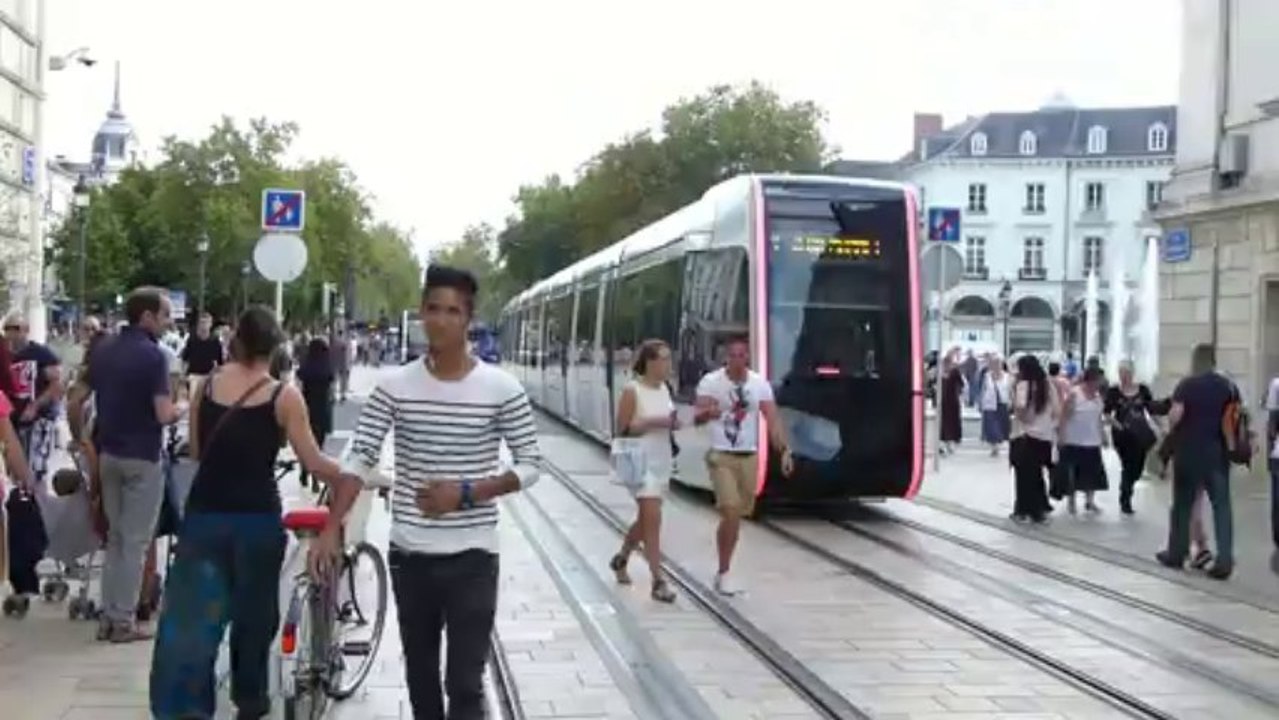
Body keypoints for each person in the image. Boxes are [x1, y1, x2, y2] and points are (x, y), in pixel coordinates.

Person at [338, 265, 541, 720]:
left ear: (469, 319)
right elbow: (359, 457)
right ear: (421, 312)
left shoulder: (501, 389)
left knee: (465, 684)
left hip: (473, 557)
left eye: (453, 311)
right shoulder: (394, 386)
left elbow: (530, 464)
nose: (441, 320)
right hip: (411, 558)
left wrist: (468, 493)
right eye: (433, 309)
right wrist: (334, 528)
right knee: (421, 680)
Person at [149, 306, 346, 719]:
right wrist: (355, 475)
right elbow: (313, 462)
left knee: (193, 623)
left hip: (204, 516)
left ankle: (184, 708)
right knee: (253, 620)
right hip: (257, 520)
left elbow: (199, 451)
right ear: (275, 348)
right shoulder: (283, 396)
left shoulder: (207, 386)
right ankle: (250, 701)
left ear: (235, 341)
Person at [86, 288, 182, 642]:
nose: (169, 321)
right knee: (135, 541)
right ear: (147, 317)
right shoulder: (153, 357)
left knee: (114, 539)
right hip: (142, 456)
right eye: (165, 315)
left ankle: (108, 615)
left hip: (108, 453)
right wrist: (183, 407)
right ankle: (123, 621)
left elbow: (85, 394)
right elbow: (163, 413)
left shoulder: (104, 349)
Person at [693, 335, 793, 596]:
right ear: (725, 357)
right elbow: (697, 416)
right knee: (731, 510)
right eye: (733, 355)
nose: (737, 360)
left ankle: (724, 564)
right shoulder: (711, 382)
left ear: (747, 357)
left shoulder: (759, 384)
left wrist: (783, 451)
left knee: (738, 516)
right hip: (721, 455)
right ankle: (724, 570)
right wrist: (708, 414)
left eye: (742, 355)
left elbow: (772, 419)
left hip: (748, 456)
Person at [1157, 343, 1236, 580]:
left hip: (1189, 453)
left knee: (1182, 505)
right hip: (1217, 453)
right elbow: (1234, 417)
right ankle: (1224, 560)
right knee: (1222, 507)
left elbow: (1175, 416)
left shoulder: (1187, 385)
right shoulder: (1227, 386)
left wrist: (1170, 435)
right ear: (1213, 360)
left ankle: (1176, 553)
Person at [608, 339, 678, 603]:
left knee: (647, 518)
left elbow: (670, 422)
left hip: (661, 459)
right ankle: (658, 580)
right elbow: (623, 429)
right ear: (648, 362)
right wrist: (654, 421)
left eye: (669, 359)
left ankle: (622, 558)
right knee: (653, 518)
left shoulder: (665, 390)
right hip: (637, 460)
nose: (667, 364)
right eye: (662, 359)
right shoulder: (632, 390)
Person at [5, 312, 64, 487]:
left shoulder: (40, 353)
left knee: (35, 469)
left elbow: (57, 384)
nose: (11, 333)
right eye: (7, 329)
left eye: (15, 328)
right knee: (14, 470)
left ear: (26, 330)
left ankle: (36, 506)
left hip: (38, 419)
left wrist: (36, 406)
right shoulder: (4, 356)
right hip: (11, 420)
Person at [1104, 361, 1159, 515]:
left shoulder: (1142, 390)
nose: (1124, 376)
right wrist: (1118, 425)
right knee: (1128, 466)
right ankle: (1125, 499)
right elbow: (1107, 413)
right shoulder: (1114, 391)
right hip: (1122, 435)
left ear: (1132, 374)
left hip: (1140, 434)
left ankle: (1129, 485)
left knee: (1137, 467)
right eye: (1121, 373)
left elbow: (1151, 409)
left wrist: (1160, 427)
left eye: (1126, 373)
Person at [1009, 354, 1057, 524]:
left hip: (1026, 435)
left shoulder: (1023, 386)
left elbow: (1021, 412)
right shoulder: (1047, 385)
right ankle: (1040, 508)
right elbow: (1056, 410)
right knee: (1037, 474)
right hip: (1045, 437)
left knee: (1024, 476)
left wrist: (1014, 396)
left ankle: (1025, 510)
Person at [1055, 366, 1109, 514]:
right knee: (1072, 473)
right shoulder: (1075, 394)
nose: (1101, 383)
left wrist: (1103, 435)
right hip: (1074, 440)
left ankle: (1089, 501)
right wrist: (1061, 435)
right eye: (1099, 380)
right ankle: (1071, 502)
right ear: (1092, 380)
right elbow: (1064, 415)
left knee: (1093, 473)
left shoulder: (1098, 397)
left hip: (1092, 440)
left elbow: (1098, 418)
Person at [296, 337, 335, 492]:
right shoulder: (327, 368)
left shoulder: (305, 368)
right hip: (323, 409)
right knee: (318, 445)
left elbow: (298, 387)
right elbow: (332, 389)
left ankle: (304, 471)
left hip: (307, 407)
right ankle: (315, 478)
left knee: (306, 442)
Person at [181, 312, 224, 399]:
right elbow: (185, 359)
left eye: (206, 322)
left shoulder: (215, 341)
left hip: (208, 376)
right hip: (193, 375)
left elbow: (219, 362)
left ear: (210, 324)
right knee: (193, 400)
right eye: (202, 322)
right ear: (198, 324)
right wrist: (183, 375)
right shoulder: (192, 340)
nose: (204, 325)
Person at [938, 348, 964, 455]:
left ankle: (949, 442)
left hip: (951, 400)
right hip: (945, 400)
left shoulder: (954, 370)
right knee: (945, 421)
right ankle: (946, 442)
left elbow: (961, 384)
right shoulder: (941, 371)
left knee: (950, 421)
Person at [332, 329, 352, 403]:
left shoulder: (334, 343)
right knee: (342, 381)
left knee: (335, 381)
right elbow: (347, 355)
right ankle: (342, 395)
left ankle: (333, 395)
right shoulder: (345, 343)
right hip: (343, 364)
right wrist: (348, 365)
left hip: (335, 364)